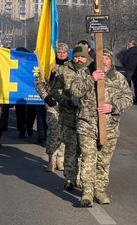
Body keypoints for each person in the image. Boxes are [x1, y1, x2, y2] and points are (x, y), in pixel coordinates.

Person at [70, 48, 133, 207]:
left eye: (106, 58)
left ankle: (100, 190)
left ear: (111, 61)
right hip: (87, 125)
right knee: (89, 159)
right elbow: (75, 91)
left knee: (103, 161)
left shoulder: (118, 78)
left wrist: (113, 106)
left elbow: (128, 99)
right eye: (100, 57)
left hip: (109, 127)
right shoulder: (85, 73)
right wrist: (91, 79)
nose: (103, 61)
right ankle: (87, 192)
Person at [51, 44, 93, 189]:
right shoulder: (63, 70)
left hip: (87, 118)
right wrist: (66, 100)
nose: (79, 60)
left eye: (82, 57)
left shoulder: (92, 70)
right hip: (68, 115)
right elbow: (54, 91)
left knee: (85, 150)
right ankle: (69, 177)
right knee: (70, 148)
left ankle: (81, 177)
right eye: (76, 56)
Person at [35, 42, 69, 172]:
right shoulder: (48, 66)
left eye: (63, 53)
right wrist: (47, 98)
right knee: (53, 130)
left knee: (65, 132)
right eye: (59, 52)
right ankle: (51, 157)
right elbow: (39, 83)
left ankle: (61, 158)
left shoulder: (71, 67)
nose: (61, 55)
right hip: (52, 103)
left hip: (66, 104)